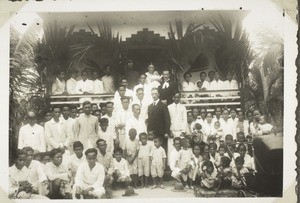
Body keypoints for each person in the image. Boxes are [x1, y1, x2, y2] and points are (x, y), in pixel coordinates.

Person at [148, 88, 171, 153]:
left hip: (161, 133)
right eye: (152, 94)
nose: (154, 95)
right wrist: (149, 131)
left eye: (155, 94)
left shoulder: (163, 106)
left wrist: (167, 132)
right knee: (153, 150)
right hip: (153, 133)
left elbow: (167, 119)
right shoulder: (150, 106)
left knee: (162, 150)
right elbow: (149, 120)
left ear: (158, 94)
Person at [167, 92, 187, 163]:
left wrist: (183, 131)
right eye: (175, 97)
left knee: (180, 149)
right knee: (171, 149)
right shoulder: (169, 107)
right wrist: (170, 130)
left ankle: (180, 163)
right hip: (172, 131)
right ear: (173, 98)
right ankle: (170, 165)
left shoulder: (183, 107)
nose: (176, 98)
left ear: (180, 98)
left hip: (180, 131)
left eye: (178, 97)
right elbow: (168, 120)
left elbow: (184, 120)